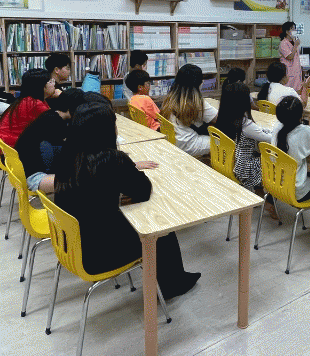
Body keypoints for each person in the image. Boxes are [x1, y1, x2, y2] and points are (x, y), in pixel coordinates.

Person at [53, 103, 200, 299]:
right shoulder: (111, 159)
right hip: (98, 254)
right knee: (162, 229)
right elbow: (144, 190)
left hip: (71, 245)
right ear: (105, 130)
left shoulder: (68, 155)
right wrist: (128, 170)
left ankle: (171, 281)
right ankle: (173, 285)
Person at [215, 82, 279, 219]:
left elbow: (258, 131)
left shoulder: (224, 118)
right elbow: (269, 139)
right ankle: (269, 201)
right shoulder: (245, 124)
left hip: (231, 163)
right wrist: (278, 131)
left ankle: (259, 195)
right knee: (276, 164)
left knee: (260, 156)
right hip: (245, 169)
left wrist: (266, 130)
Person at [272, 96, 310, 234]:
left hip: (277, 184)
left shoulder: (276, 128)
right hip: (295, 189)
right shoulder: (304, 131)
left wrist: (309, 150)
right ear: (300, 115)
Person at [15, 88, 85, 192]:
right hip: (35, 175)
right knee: (83, 176)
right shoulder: (55, 123)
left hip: (25, 167)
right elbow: (67, 151)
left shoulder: (51, 115)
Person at [160, 64, 218, 157]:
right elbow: (219, 119)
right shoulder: (196, 102)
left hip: (175, 140)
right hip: (188, 144)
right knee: (223, 143)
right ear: (198, 83)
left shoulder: (170, 98)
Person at [0, 69, 55, 148]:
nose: (54, 84)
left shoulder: (28, 100)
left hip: (7, 144)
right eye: (50, 82)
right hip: (11, 147)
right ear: (41, 86)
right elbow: (54, 123)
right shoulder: (35, 104)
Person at [278, 21, 303, 91]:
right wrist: (295, 45)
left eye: (295, 29)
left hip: (296, 71)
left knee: (297, 91)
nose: (294, 31)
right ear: (287, 31)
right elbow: (290, 57)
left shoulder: (294, 42)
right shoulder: (283, 43)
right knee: (288, 91)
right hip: (288, 72)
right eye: (292, 29)